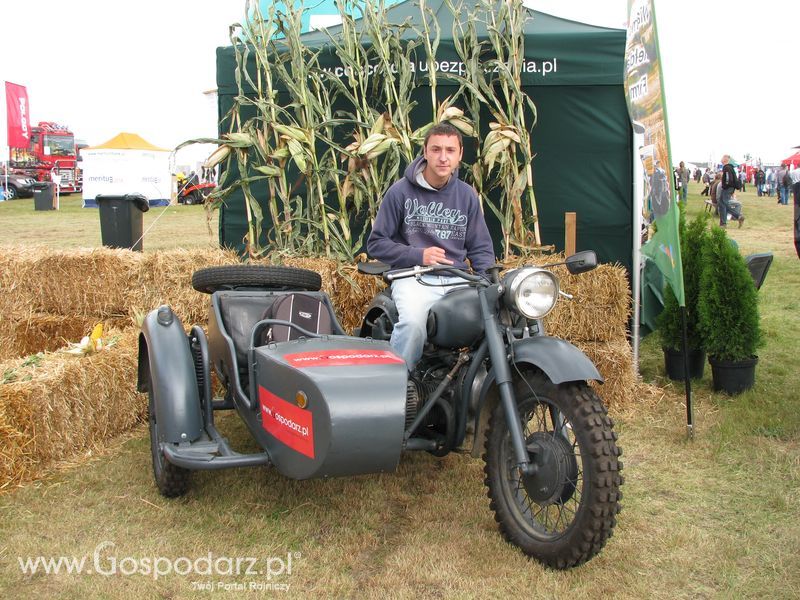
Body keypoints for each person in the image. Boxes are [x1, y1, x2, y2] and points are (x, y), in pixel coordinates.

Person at [367, 122, 495, 369]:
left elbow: (480, 248)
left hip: (457, 279)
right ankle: (399, 386)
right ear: (425, 151)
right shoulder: (400, 192)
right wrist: (418, 255)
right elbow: (376, 243)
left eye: (450, 150)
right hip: (414, 278)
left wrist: (487, 283)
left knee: (496, 319)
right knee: (413, 324)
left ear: (460, 155)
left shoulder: (467, 195)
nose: (443, 158)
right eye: (436, 149)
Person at [719, 154, 744, 227]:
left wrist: (725, 186)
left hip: (728, 188)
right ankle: (723, 223)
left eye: (722, 158)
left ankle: (738, 216)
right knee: (722, 204)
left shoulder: (726, 168)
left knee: (724, 203)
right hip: (730, 188)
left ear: (725, 159)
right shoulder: (730, 167)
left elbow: (728, 179)